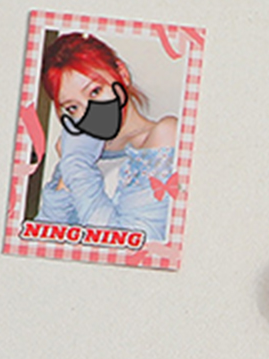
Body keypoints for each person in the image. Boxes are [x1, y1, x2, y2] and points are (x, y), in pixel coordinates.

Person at [35, 32, 178, 241]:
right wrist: (70, 166)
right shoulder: (80, 149)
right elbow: (43, 238)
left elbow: (131, 244)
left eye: (95, 91)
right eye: (73, 107)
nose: (88, 112)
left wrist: (76, 164)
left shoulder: (164, 135)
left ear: (122, 74)